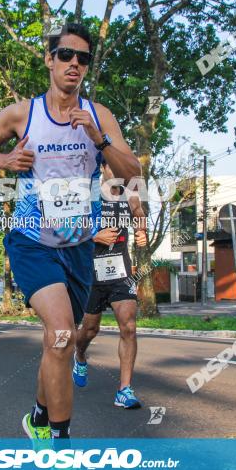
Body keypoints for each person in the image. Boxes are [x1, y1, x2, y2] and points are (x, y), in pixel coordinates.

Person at [0, 23, 141, 470]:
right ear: (49, 60)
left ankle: (38, 417)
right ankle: (61, 461)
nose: (74, 64)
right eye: (65, 54)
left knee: (60, 345)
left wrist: (102, 141)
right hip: (31, 241)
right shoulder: (23, 113)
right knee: (62, 333)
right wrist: (5, 163)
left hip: (79, 247)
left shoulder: (99, 114)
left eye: (83, 58)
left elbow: (133, 173)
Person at [72, 158, 148, 409]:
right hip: (91, 271)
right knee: (89, 330)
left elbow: (138, 214)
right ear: (103, 168)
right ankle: (80, 355)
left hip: (120, 271)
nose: (118, 172)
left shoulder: (130, 193)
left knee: (129, 326)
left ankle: (124, 390)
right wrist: (94, 236)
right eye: (113, 167)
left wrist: (140, 231)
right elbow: (67, 229)